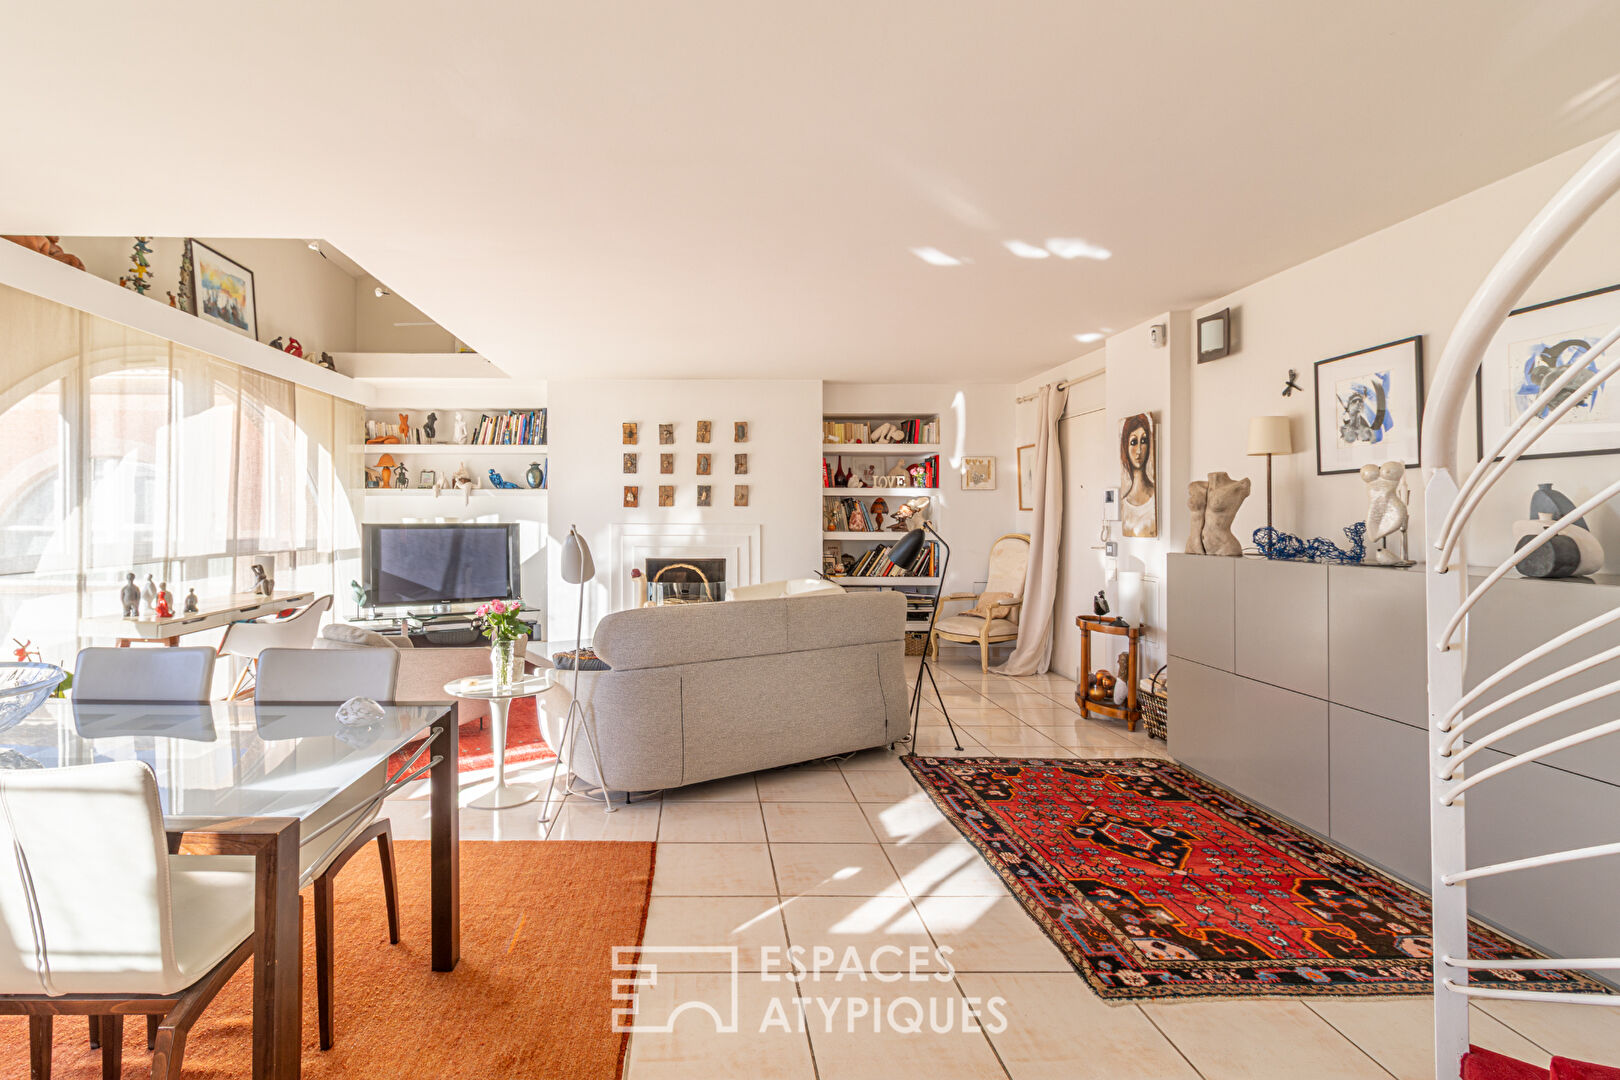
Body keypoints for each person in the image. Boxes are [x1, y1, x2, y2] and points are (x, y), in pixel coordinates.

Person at [1120, 413, 1157, 538]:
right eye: (1134, 442)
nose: (1139, 450)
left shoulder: (1154, 496)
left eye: (1144, 441)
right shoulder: (1124, 503)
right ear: (1126, 447)